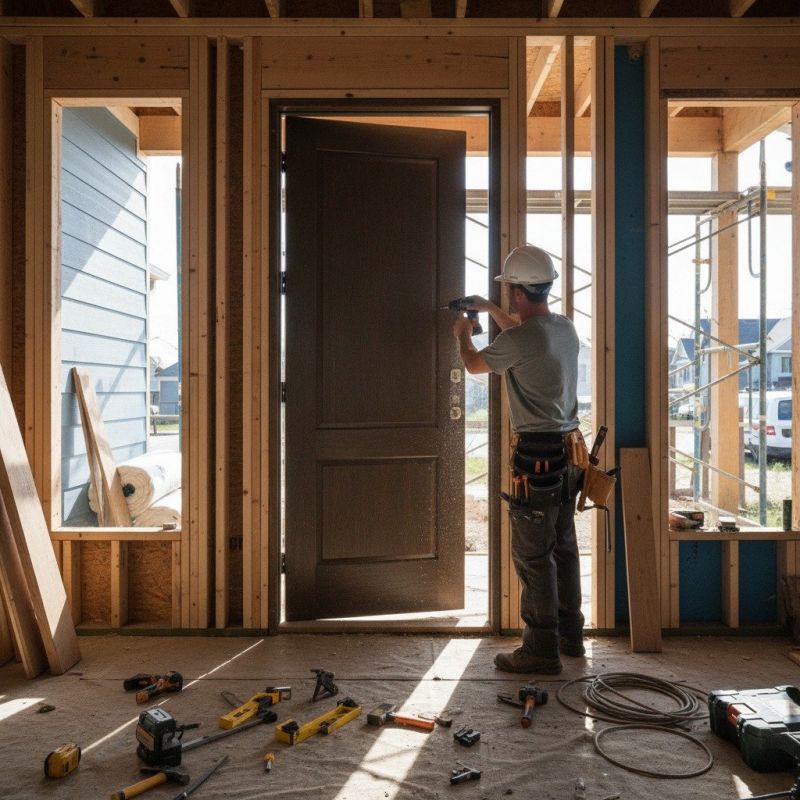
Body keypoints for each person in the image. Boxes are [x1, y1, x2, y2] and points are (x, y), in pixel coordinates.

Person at [452, 244, 585, 675]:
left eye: (508, 291)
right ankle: (571, 638)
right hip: (568, 455)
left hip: (536, 459)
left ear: (518, 293)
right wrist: (489, 307)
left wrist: (462, 332)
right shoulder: (562, 328)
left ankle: (541, 651)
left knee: (533, 558)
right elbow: (524, 334)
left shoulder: (519, 339)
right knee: (563, 548)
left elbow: (474, 364)